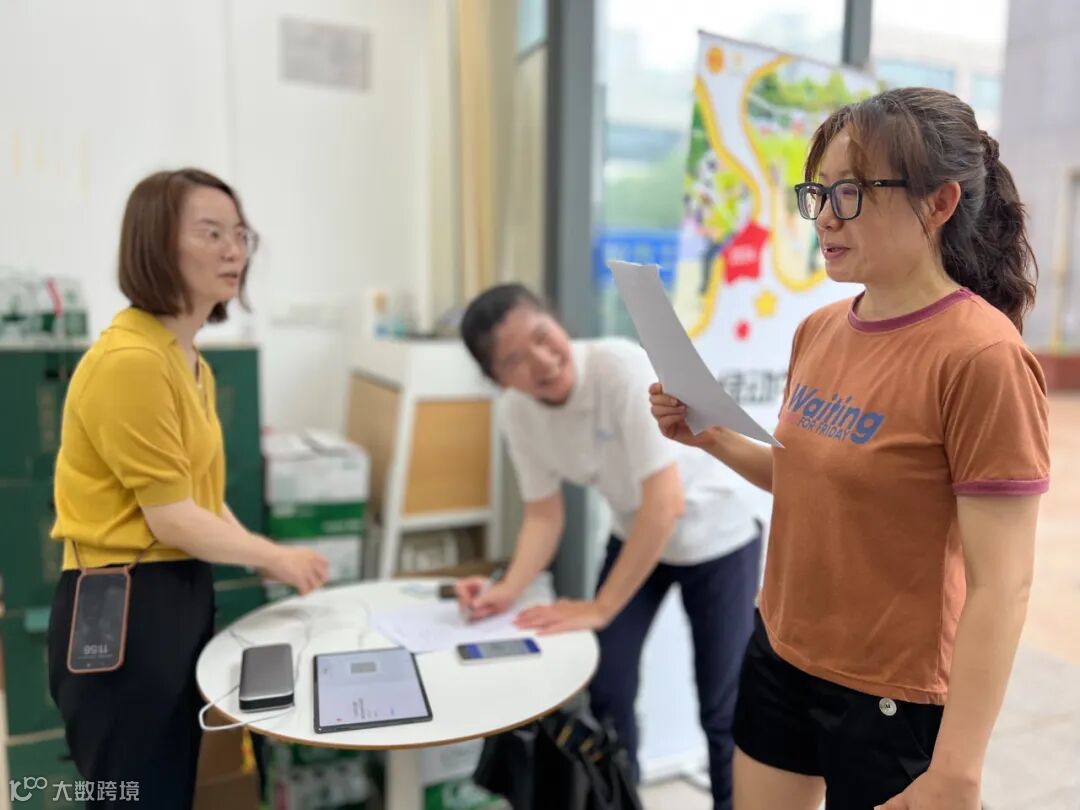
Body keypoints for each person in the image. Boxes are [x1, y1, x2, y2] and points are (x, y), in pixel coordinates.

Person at [650, 87, 1049, 810]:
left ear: (939, 204)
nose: (827, 216)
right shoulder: (821, 329)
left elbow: (1004, 584)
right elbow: (809, 480)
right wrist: (708, 437)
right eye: (820, 192)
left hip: (892, 691)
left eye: (854, 192)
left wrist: (956, 771)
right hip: (781, 648)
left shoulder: (982, 356)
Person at [46, 169, 329, 809]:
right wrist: (274, 555)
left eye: (240, 234)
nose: (234, 251)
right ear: (156, 243)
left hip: (176, 594)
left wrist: (259, 552)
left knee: (168, 789)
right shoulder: (132, 362)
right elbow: (172, 518)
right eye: (211, 233)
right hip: (124, 609)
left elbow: (198, 496)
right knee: (132, 797)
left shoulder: (186, 359)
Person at [454, 284, 762, 810]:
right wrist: (505, 590)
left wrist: (600, 607)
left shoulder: (619, 367)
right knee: (608, 691)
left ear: (557, 321)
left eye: (542, 336)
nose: (542, 360)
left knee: (722, 709)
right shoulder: (517, 412)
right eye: (514, 359)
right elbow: (543, 515)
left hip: (716, 536)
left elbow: (664, 503)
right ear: (497, 378)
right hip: (638, 532)